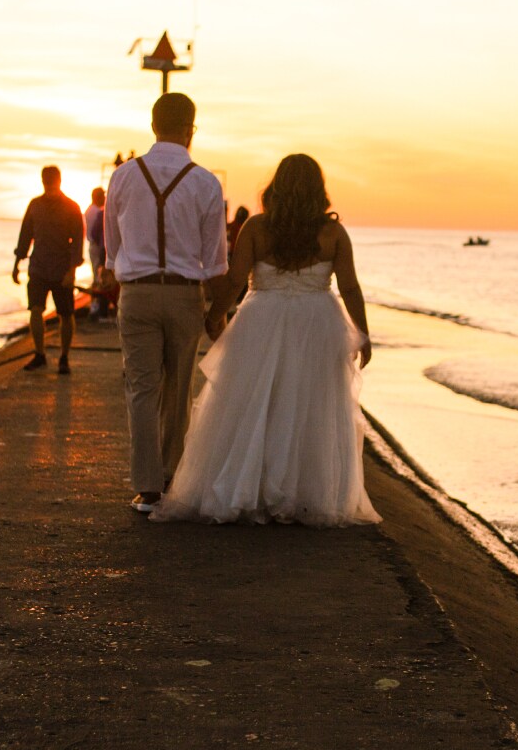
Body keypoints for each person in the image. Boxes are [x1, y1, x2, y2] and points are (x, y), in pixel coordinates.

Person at [153, 153, 378, 527]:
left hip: (262, 318)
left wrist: (215, 314)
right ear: (318, 189)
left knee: (255, 403)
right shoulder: (333, 233)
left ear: (276, 185)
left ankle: (248, 488)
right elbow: (350, 287)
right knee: (310, 406)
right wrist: (363, 333)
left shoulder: (257, 227)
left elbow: (237, 280)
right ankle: (305, 494)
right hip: (317, 322)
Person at [101, 92, 228, 513]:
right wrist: (216, 310)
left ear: (153, 126)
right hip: (183, 295)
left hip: (136, 294)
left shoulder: (122, 177)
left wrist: (119, 271)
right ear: (192, 128)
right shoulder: (206, 182)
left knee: (141, 389)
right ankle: (172, 478)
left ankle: (147, 488)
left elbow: (111, 247)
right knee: (178, 389)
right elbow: (215, 260)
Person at [12, 165, 83, 375]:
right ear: (42, 181)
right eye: (46, 180)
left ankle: (64, 357)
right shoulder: (35, 205)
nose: (48, 184)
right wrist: (16, 264)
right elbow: (25, 236)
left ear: (59, 181)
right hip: (39, 268)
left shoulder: (71, 206)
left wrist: (71, 271)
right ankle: (40, 353)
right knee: (35, 309)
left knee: (66, 314)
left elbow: (77, 240)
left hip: (61, 269)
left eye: (51, 180)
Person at [84, 185, 114, 320]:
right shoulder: (96, 211)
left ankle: (96, 307)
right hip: (97, 247)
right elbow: (96, 232)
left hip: (94, 246)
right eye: (102, 196)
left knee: (98, 276)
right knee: (100, 278)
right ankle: (96, 308)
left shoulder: (90, 210)